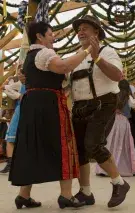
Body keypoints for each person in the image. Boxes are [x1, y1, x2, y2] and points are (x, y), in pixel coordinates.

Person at [9, 21, 91, 209]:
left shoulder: (30, 56)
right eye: (51, 33)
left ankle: (23, 195)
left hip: (32, 104)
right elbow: (63, 67)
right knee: (64, 144)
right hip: (49, 104)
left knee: (31, 145)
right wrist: (86, 51)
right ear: (40, 36)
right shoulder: (45, 53)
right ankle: (66, 195)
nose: (54, 37)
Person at [70, 15, 130, 208]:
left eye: (85, 28)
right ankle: (85, 192)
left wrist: (97, 57)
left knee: (93, 145)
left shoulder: (108, 51)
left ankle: (119, 183)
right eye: (79, 29)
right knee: (79, 151)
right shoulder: (76, 55)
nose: (80, 31)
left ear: (96, 32)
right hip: (79, 106)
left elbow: (117, 76)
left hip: (103, 103)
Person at [95, 79, 135, 177]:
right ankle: (121, 167)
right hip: (122, 122)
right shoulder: (127, 97)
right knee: (123, 144)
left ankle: (104, 168)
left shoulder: (112, 95)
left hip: (111, 120)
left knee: (110, 143)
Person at [0, 74, 25, 174]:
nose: (20, 75)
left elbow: (3, 87)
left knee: (11, 136)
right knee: (12, 136)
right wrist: (18, 95)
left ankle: (12, 163)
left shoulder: (20, 83)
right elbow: (3, 88)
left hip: (22, 109)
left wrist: (8, 81)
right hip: (26, 109)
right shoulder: (21, 84)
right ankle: (12, 163)